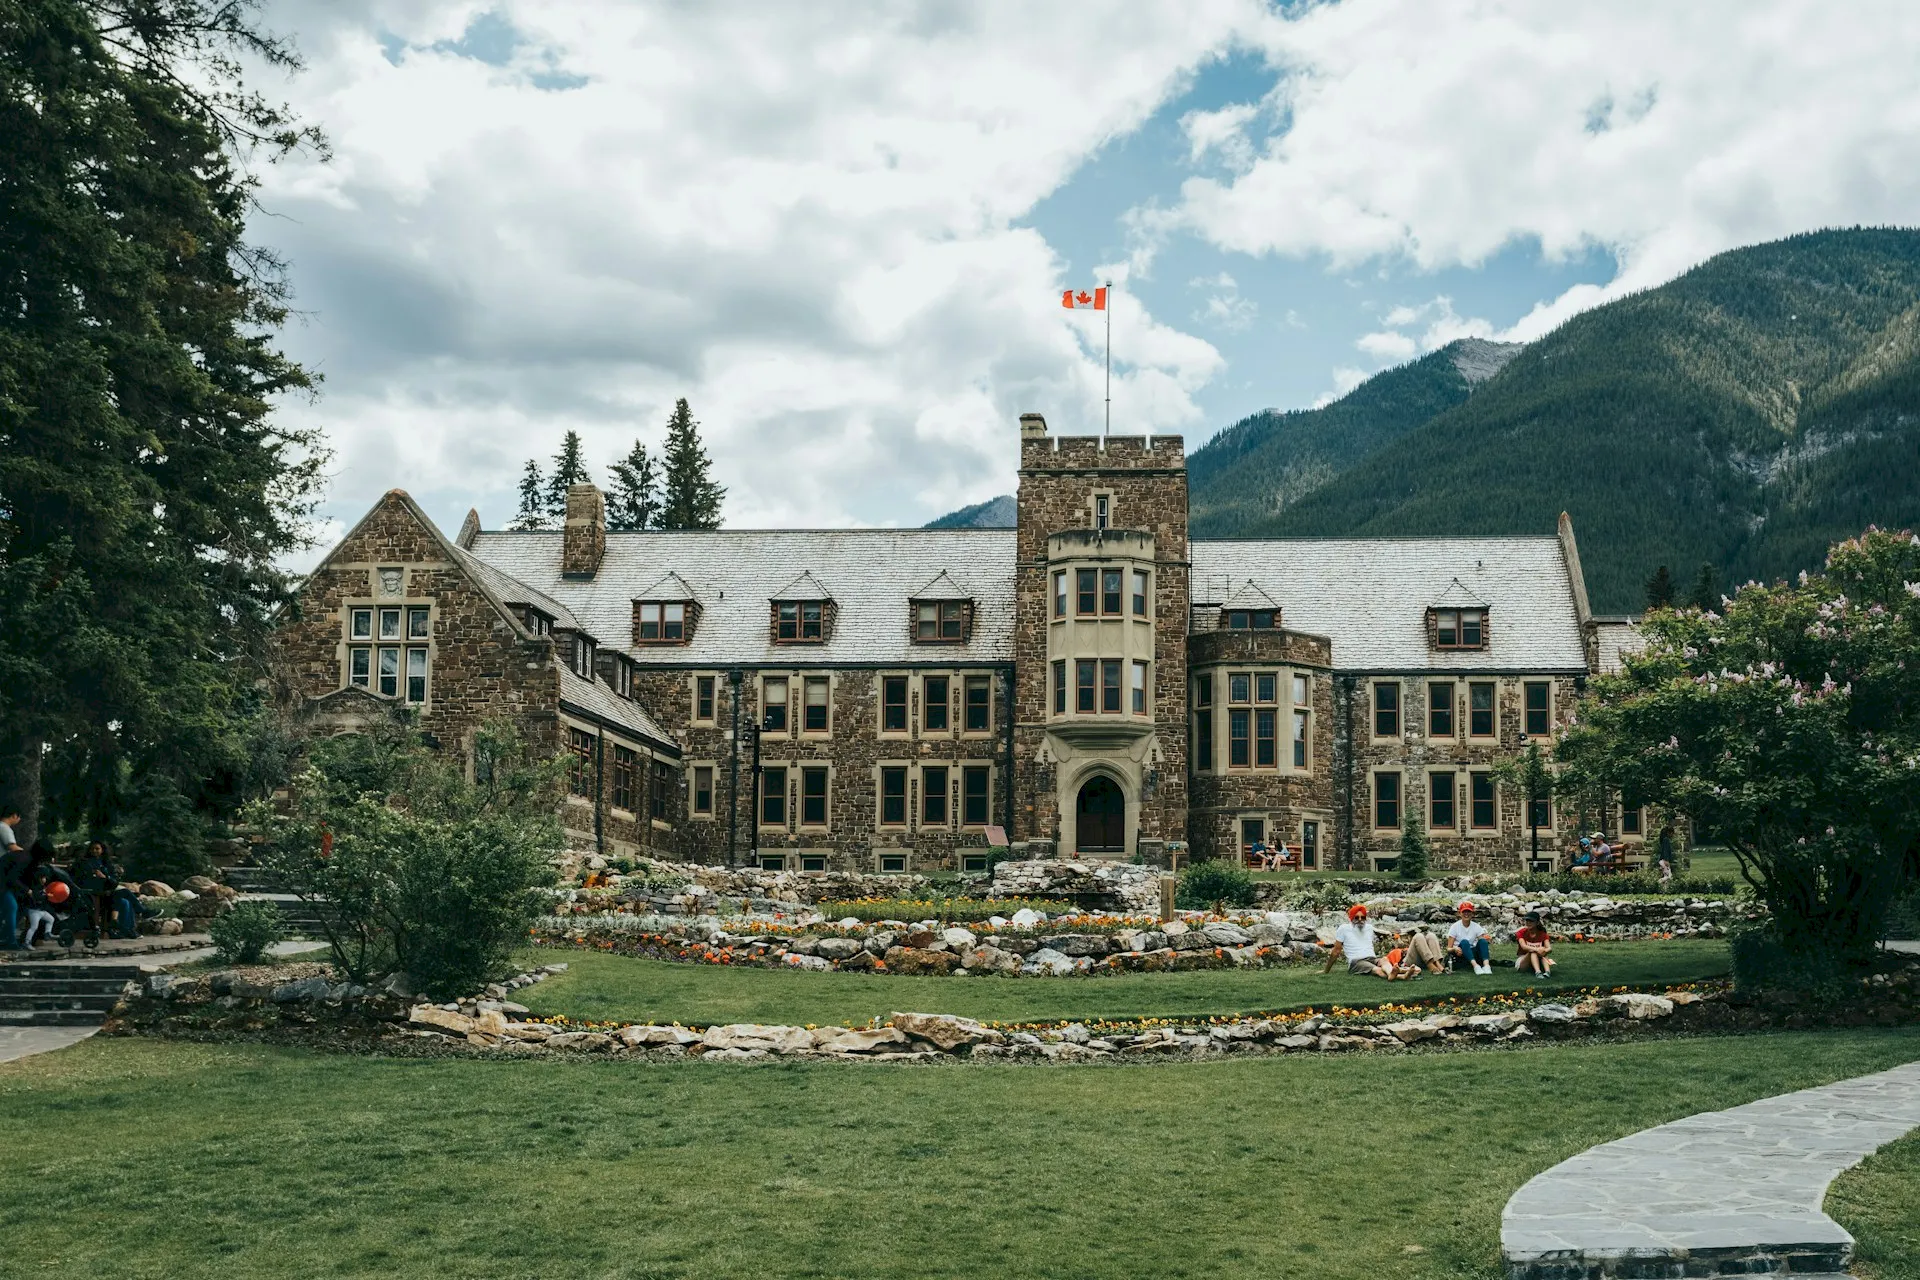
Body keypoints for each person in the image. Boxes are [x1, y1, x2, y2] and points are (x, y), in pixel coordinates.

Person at [1323, 903, 1399, 979]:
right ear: (1351, 918)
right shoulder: (1343, 929)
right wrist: (1326, 970)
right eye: (1356, 917)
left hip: (1371, 958)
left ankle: (1392, 973)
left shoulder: (1369, 928)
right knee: (1378, 970)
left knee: (1384, 960)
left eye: (1362, 917)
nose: (1360, 920)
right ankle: (1402, 976)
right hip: (1356, 962)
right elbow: (1336, 951)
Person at [0, 806, 28, 951]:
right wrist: (29, 855)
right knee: (11, 906)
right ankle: (10, 940)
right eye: (19, 818)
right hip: (2, 873)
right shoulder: (4, 828)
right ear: (14, 815)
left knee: (6, 907)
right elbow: (12, 847)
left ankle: (6, 937)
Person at [1446, 901, 1493, 975]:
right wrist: (1455, 948)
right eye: (1464, 912)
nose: (1466, 914)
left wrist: (1488, 939)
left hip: (1472, 950)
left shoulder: (1476, 926)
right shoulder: (1454, 927)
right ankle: (1476, 966)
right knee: (1465, 942)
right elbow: (1448, 948)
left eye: (1468, 912)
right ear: (1460, 913)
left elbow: (1482, 942)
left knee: (1483, 941)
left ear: (1472, 914)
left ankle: (1486, 966)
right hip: (1460, 952)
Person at [1514, 910, 1554, 975]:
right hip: (1523, 959)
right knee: (1532, 952)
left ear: (1537, 923)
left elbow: (1549, 948)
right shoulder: (1521, 932)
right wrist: (1537, 949)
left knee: (1543, 953)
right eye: (1527, 921)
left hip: (1538, 958)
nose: (1528, 923)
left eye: (1531, 921)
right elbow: (1524, 946)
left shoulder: (1542, 933)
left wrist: (1544, 950)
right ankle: (1538, 972)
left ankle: (1547, 972)